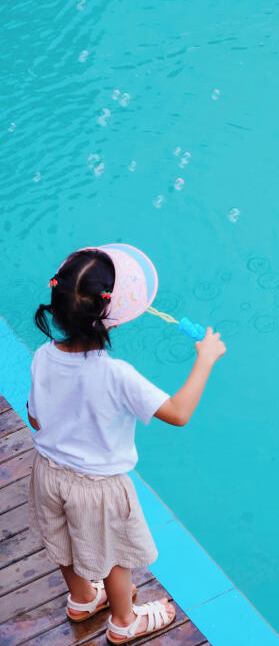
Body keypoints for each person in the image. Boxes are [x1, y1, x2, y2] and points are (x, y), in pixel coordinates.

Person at [26, 243, 226, 643]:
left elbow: (34, 417)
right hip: (99, 488)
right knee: (116, 555)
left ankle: (83, 599)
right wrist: (204, 359)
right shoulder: (117, 375)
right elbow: (178, 413)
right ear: (109, 318)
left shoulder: (44, 355)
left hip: (47, 473)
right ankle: (123, 622)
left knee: (62, 541)